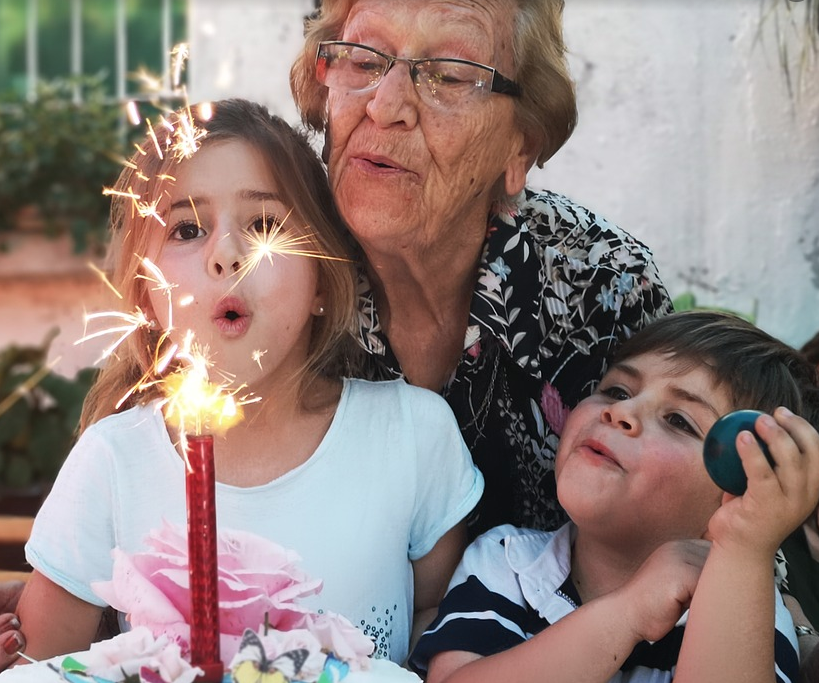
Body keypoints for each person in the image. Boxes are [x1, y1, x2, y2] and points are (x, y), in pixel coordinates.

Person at [9, 99, 483, 667]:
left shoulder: (412, 436)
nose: (226, 254)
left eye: (262, 225)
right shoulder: (112, 464)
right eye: (187, 229)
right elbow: (42, 669)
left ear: (322, 284)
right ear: (146, 295)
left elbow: (439, 626)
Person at [290, 0, 673, 538]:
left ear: (520, 145)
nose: (386, 105)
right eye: (364, 60)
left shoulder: (602, 281)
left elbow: (689, 516)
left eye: (448, 76)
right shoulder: (269, 265)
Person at [410, 310, 819, 683]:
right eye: (618, 391)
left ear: (738, 488)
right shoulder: (508, 562)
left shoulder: (746, 614)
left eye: (678, 420)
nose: (620, 412)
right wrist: (630, 612)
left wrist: (743, 545)